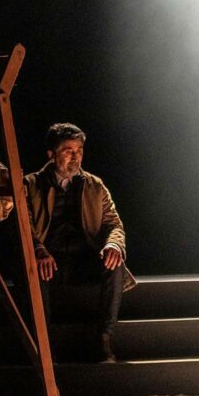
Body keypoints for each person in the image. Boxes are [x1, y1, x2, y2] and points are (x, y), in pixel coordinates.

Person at [23, 123, 136, 364]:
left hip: (83, 259)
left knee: (115, 263)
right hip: (50, 260)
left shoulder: (94, 185)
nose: (76, 157)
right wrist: (38, 250)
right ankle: (45, 346)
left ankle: (104, 338)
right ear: (51, 154)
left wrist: (114, 245)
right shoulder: (30, 185)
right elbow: (22, 225)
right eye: (68, 151)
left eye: (79, 150)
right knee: (33, 269)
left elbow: (113, 223)